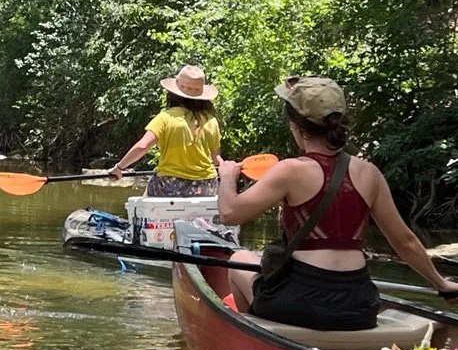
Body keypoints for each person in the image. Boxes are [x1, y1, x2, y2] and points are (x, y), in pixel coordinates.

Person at [217, 76, 458, 329]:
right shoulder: (369, 173)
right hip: (358, 304)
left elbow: (230, 213)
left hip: (299, 301)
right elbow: (405, 242)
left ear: (297, 128)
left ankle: (258, 341)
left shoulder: (290, 170)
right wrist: (440, 283)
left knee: (238, 258)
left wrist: (227, 177)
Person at [108, 65, 223, 196]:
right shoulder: (211, 121)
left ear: (173, 93)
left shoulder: (166, 117)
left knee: (150, 191)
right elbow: (216, 160)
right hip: (207, 186)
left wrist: (119, 168)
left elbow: (142, 146)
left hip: (170, 184)